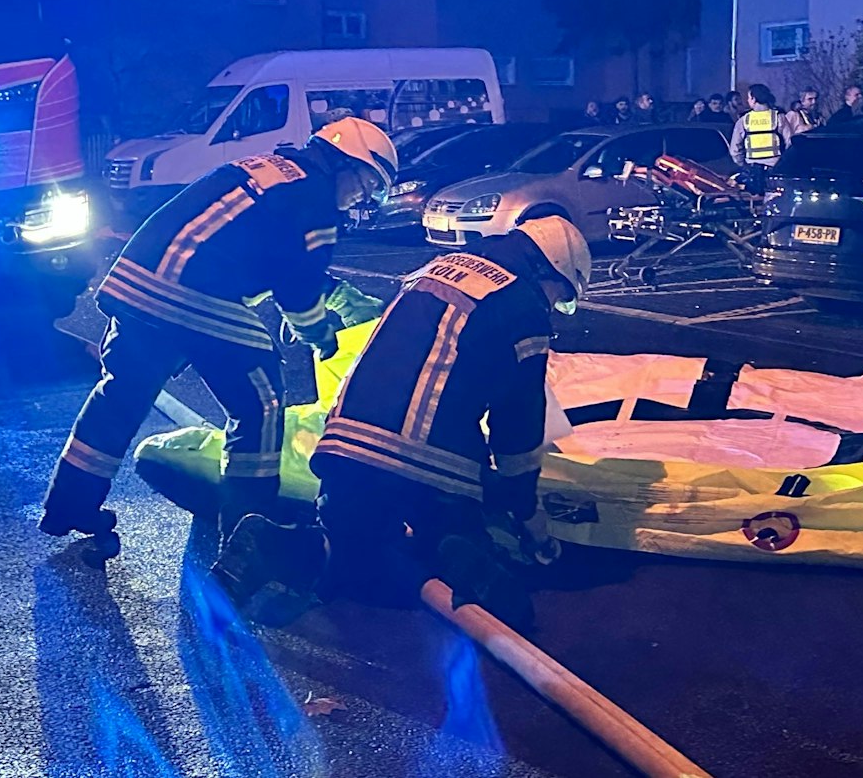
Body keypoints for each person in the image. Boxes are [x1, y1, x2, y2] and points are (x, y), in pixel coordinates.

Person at [214, 216, 591, 630]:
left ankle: (274, 545)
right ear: (548, 270)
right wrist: (527, 511)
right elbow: (517, 420)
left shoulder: (439, 267)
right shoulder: (523, 307)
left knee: (349, 545)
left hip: (344, 442)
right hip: (427, 456)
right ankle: (452, 546)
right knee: (463, 544)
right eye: (562, 296)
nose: (555, 307)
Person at [40, 117, 399, 549]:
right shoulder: (316, 199)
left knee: (119, 398)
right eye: (367, 184)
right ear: (344, 161)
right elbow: (298, 285)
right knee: (262, 402)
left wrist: (326, 293)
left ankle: (68, 506)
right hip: (197, 297)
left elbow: (262, 255)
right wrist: (320, 334)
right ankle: (251, 524)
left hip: (137, 283)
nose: (361, 198)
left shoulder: (266, 170)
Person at [729, 82, 802, 188]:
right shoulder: (778, 117)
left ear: (754, 99)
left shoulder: (744, 120)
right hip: (775, 169)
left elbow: (734, 150)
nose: (747, 100)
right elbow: (790, 143)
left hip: (752, 170)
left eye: (749, 97)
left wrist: (743, 165)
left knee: (753, 201)